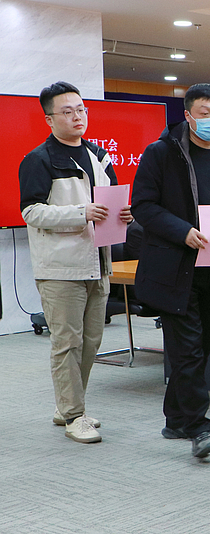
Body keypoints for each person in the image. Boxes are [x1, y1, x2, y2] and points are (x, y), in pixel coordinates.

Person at [131, 83, 210, 458]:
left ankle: (176, 419)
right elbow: (143, 206)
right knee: (187, 353)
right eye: (205, 113)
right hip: (174, 269)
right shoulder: (161, 153)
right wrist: (182, 232)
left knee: (199, 349)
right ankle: (200, 428)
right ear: (187, 115)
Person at [19, 81, 133, 444]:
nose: (77, 116)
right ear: (49, 119)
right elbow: (31, 212)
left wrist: (123, 214)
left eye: (81, 109)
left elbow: (110, 201)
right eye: (67, 111)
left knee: (91, 342)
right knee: (67, 343)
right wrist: (80, 212)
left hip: (98, 262)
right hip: (61, 267)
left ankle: (68, 405)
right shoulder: (39, 159)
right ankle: (73, 415)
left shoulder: (99, 155)